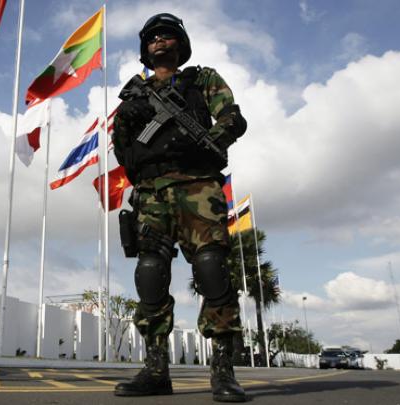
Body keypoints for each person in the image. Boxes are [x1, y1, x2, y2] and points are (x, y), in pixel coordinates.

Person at [112, 13, 248, 402]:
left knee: (211, 268)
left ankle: (223, 370)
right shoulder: (133, 95)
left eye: (167, 36)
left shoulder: (202, 80)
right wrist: (129, 120)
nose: (159, 41)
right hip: (152, 192)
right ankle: (156, 370)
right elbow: (124, 150)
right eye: (153, 37)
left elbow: (233, 118)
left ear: (180, 44)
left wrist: (206, 139)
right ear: (145, 48)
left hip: (198, 185)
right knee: (150, 273)